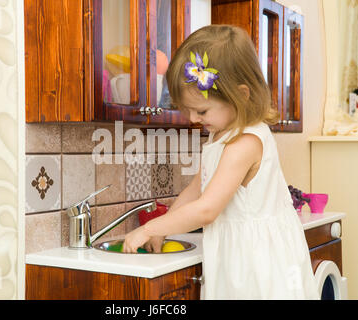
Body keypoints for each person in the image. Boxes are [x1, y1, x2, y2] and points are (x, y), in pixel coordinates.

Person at [123, 25, 319, 299]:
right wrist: (165, 226)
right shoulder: (220, 135)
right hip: (239, 255)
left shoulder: (245, 143)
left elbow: (206, 210)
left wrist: (149, 228)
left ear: (240, 94)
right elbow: (197, 188)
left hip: (259, 264)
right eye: (187, 110)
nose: (193, 118)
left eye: (201, 110)